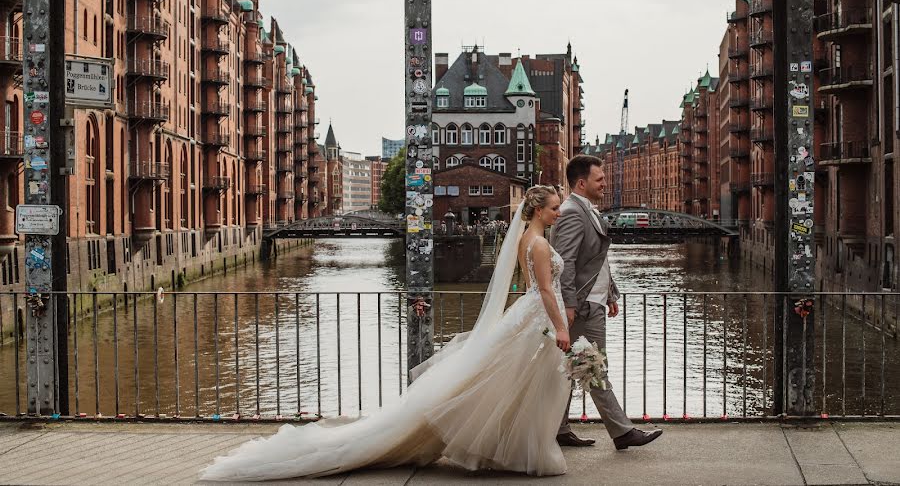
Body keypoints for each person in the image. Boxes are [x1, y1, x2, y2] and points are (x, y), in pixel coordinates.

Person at [200, 185, 573, 480]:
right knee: (516, 384)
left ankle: (512, 448)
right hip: (537, 316)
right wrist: (559, 325)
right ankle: (517, 450)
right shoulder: (538, 243)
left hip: (527, 317)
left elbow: (523, 288)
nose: (559, 212)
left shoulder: (526, 239)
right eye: (555, 207)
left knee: (511, 383)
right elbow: (541, 289)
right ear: (539, 210)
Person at [550, 155, 663, 450]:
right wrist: (570, 305)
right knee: (594, 367)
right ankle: (622, 431)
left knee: (572, 366)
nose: (605, 184)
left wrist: (610, 293)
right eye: (600, 179)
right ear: (581, 183)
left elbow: (597, 261)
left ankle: (559, 429)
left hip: (594, 302)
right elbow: (566, 263)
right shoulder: (573, 211)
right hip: (583, 307)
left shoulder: (588, 210)